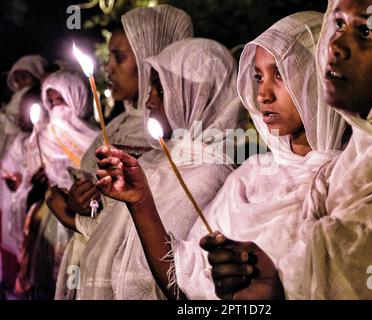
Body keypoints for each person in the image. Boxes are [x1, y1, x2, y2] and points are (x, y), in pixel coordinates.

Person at [201, 0, 372, 300]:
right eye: (339, 24)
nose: (336, 45)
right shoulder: (339, 172)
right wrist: (273, 290)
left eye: (368, 31)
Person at [94, 12, 347, 300]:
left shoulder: (347, 183)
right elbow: (182, 285)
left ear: (320, 76)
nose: (263, 94)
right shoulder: (249, 176)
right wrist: (141, 202)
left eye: (281, 74)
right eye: (258, 76)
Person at [46, 5, 194, 300]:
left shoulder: (171, 135)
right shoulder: (115, 125)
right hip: (89, 265)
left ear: (152, 57)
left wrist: (71, 218)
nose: (108, 68)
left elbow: (155, 230)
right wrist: (80, 199)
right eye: (109, 57)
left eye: (120, 57)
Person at [78, 38, 242, 300]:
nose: (149, 101)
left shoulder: (210, 174)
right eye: (151, 89)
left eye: (162, 91)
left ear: (198, 97)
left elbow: (170, 276)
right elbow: (112, 240)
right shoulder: (154, 161)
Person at [12, 70, 97, 299]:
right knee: (48, 276)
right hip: (50, 212)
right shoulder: (42, 136)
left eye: (62, 99)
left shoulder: (98, 137)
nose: (57, 107)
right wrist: (34, 181)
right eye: (51, 101)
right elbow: (29, 176)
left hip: (89, 216)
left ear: (77, 98)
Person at [0, 86, 40, 297]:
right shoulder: (19, 141)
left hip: (42, 219)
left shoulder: (53, 140)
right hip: (13, 211)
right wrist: (18, 185)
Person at [0, 55, 48, 157]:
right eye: (16, 79)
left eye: (24, 77)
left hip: (18, 139)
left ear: (36, 76)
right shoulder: (13, 96)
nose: (19, 82)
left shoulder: (34, 96)